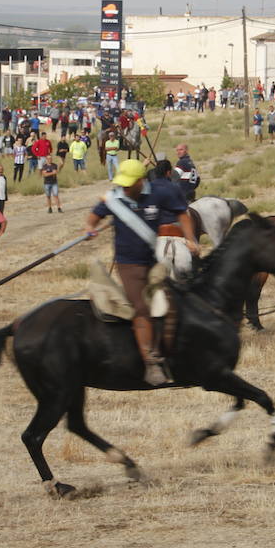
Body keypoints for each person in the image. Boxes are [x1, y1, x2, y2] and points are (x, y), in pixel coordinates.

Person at [83, 158, 196, 386]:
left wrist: (191, 238)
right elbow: (95, 215)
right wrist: (89, 228)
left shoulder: (161, 192)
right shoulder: (114, 198)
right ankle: (150, 363)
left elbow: (182, 212)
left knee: (171, 302)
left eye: (128, 183)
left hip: (155, 260)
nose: (124, 188)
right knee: (142, 308)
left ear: (141, 181)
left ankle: (171, 353)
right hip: (129, 263)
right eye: (122, 184)